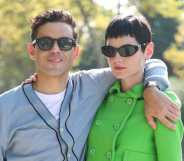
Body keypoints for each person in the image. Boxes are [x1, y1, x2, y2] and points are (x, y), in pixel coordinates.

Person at [0, 10, 180, 161]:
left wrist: (152, 87)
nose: (55, 50)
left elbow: (146, 63)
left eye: (65, 43)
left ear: (76, 51)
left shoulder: (92, 85)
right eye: (45, 43)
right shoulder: (5, 108)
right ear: (32, 50)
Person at [86, 13, 183, 161]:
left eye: (127, 50)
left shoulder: (163, 103)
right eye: (110, 51)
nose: (117, 59)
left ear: (148, 51)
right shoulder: (100, 96)